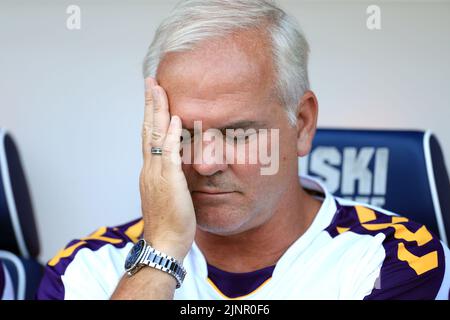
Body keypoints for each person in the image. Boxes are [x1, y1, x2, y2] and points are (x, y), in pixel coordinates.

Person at [37, 0, 450, 300]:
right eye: (182, 133)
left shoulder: (393, 259)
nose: (206, 162)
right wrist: (160, 250)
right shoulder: (88, 267)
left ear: (302, 124)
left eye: (238, 133)